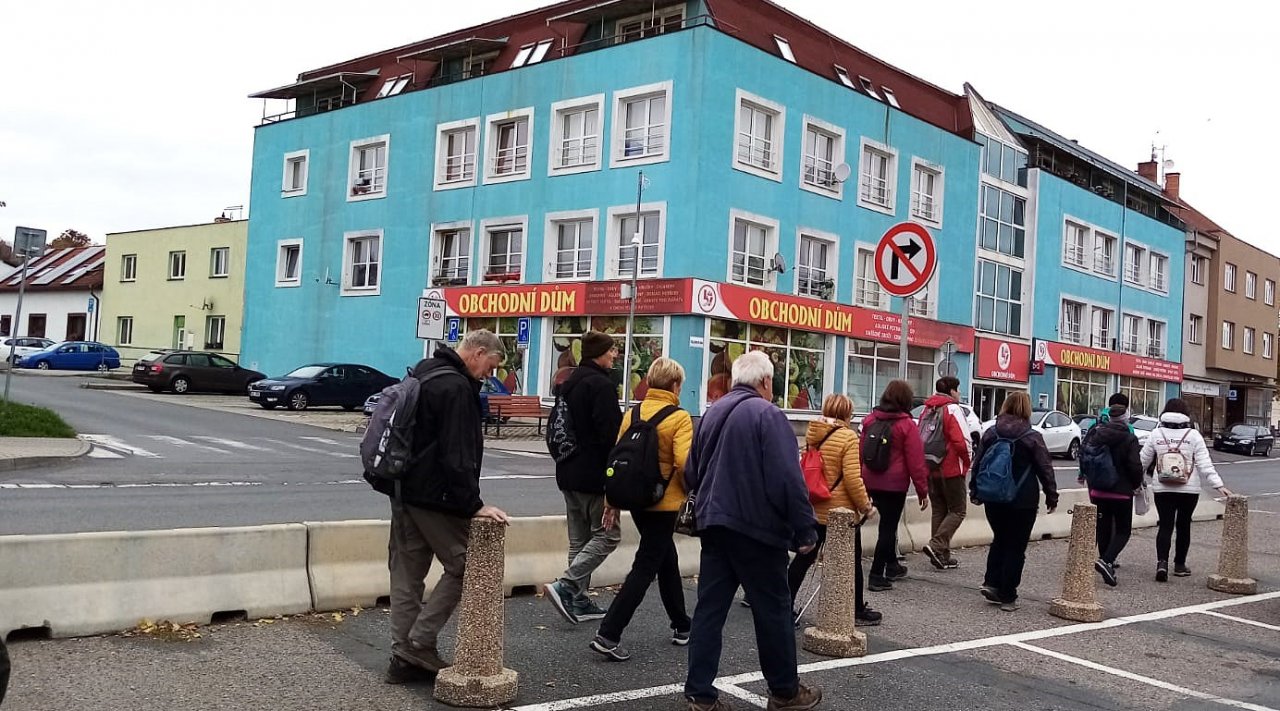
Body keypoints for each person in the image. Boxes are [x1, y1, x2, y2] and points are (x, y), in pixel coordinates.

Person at [365, 329, 512, 685]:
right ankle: (418, 641)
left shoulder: (424, 370)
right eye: (490, 366)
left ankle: (404, 659)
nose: (489, 375)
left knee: (406, 574)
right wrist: (472, 505)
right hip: (433, 495)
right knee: (466, 564)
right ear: (477, 353)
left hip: (401, 486)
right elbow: (456, 454)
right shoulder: (456, 388)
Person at [683, 351, 822, 711]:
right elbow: (787, 480)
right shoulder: (768, 414)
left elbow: (691, 472)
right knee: (773, 609)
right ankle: (784, 691)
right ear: (764, 381)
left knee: (709, 610)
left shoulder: (712, 415)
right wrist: (805, 530)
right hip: (756, 529)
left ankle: (700, 694)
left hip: (714, 524)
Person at [589, 358, 694, 661]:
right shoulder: (679, 417)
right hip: (664, 502)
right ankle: (609, 633)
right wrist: (692, 491)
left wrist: (611, 500)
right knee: (647, 564)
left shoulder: (632, 412)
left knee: (665, 558)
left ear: (649, 381)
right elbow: (685, 463)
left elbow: (618, 459)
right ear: (676, 385)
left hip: (635, 499)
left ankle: (682, 625)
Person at [544, 331, 624, 624]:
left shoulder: (569, 382)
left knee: (579, 540)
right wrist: (614, 477)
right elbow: (611, 436)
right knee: (608, 535)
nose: (615, 355)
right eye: (612, 350)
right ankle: (566, 585)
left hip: (567, 471)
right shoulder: (600, 386)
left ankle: (576, 601)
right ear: (599, 354)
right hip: (593, 475)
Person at [787, 394, 879, 626]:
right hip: (841, 511)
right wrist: (865, 506)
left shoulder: (813, 434)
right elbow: (852, 477)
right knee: (852, 561)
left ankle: (784, 604)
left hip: (815, 504)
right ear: (847, 413)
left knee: (804, 557)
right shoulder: (848, 437)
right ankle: (856, 609)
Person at [970, 391, 1058, 611]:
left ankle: (991, 582)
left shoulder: (991, 433)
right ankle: (1008, 595)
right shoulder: (1032, 437)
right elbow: (1045, 468)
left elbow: (978, 463)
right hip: (1023, 499)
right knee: (1016, 546)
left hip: (993, 496)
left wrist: (975, 490)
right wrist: (1051, 494)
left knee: (999, 539)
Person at [1140, 398, 1233, 581]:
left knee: (1165, 525)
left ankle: (1162, 564)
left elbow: (1142, 461)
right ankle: (1180, 565)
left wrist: (1134, 481)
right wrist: (1219, 486)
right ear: (1185, 414)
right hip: (1188, 489)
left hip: (1162, 487)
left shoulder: (1156, 434)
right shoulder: (1194, 435)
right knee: (1184, 525)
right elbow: (1205, 464)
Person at [860, 379, 929, 592]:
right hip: (894, 485)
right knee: (888, 528)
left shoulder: (871, 420)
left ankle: (892, 565)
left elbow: (860, 451)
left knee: (865, 523)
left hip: (869, 480)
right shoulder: (907, 425)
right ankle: (876, 575)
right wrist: (922, 491)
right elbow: (916, 461)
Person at [1080, 393, 1143, 587]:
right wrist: (1136, 484)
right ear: (1125, 417)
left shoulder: (1095, 432)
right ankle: (1107, 560)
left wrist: (1084, 475)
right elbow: (1134, 465)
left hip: (1098, 488)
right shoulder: (1129, 437)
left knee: (1104, 525)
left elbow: (1083, 453)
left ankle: (1104, 559)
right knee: (1123, 530)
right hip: (1121, 491)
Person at [918, 376, 973, 570]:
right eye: (957, 390)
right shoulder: (952, 409)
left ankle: (941, 555)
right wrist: (967, 463)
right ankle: (936, 545)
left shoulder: (927, 409)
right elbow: (962, 441)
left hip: (931, 467)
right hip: (950, 469)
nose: (959, 393)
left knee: (940, 510)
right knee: (958, 510)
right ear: (951, 391)